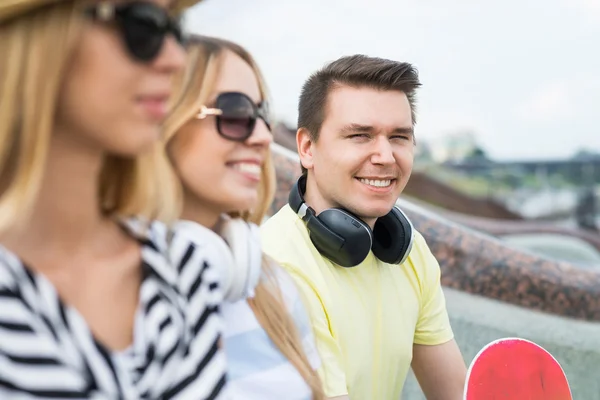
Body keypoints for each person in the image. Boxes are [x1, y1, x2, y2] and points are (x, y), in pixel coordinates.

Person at [0, 1, 231, 398]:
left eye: (176, 30)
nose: (176, 58)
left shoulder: (181, 269)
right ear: (42, 32)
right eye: (143, 25)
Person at [261, 55, 467, 400]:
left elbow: (456, 393)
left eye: (399, 137)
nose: (385, 156)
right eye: (360, 135)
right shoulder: (276, 266)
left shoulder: (409, 251)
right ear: (307, 148)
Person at [162, 35, 325, 400]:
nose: (264, 136)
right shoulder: (101, 292)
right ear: (162, 116)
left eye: (262, 116)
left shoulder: (270, 284)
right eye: (236, 114)